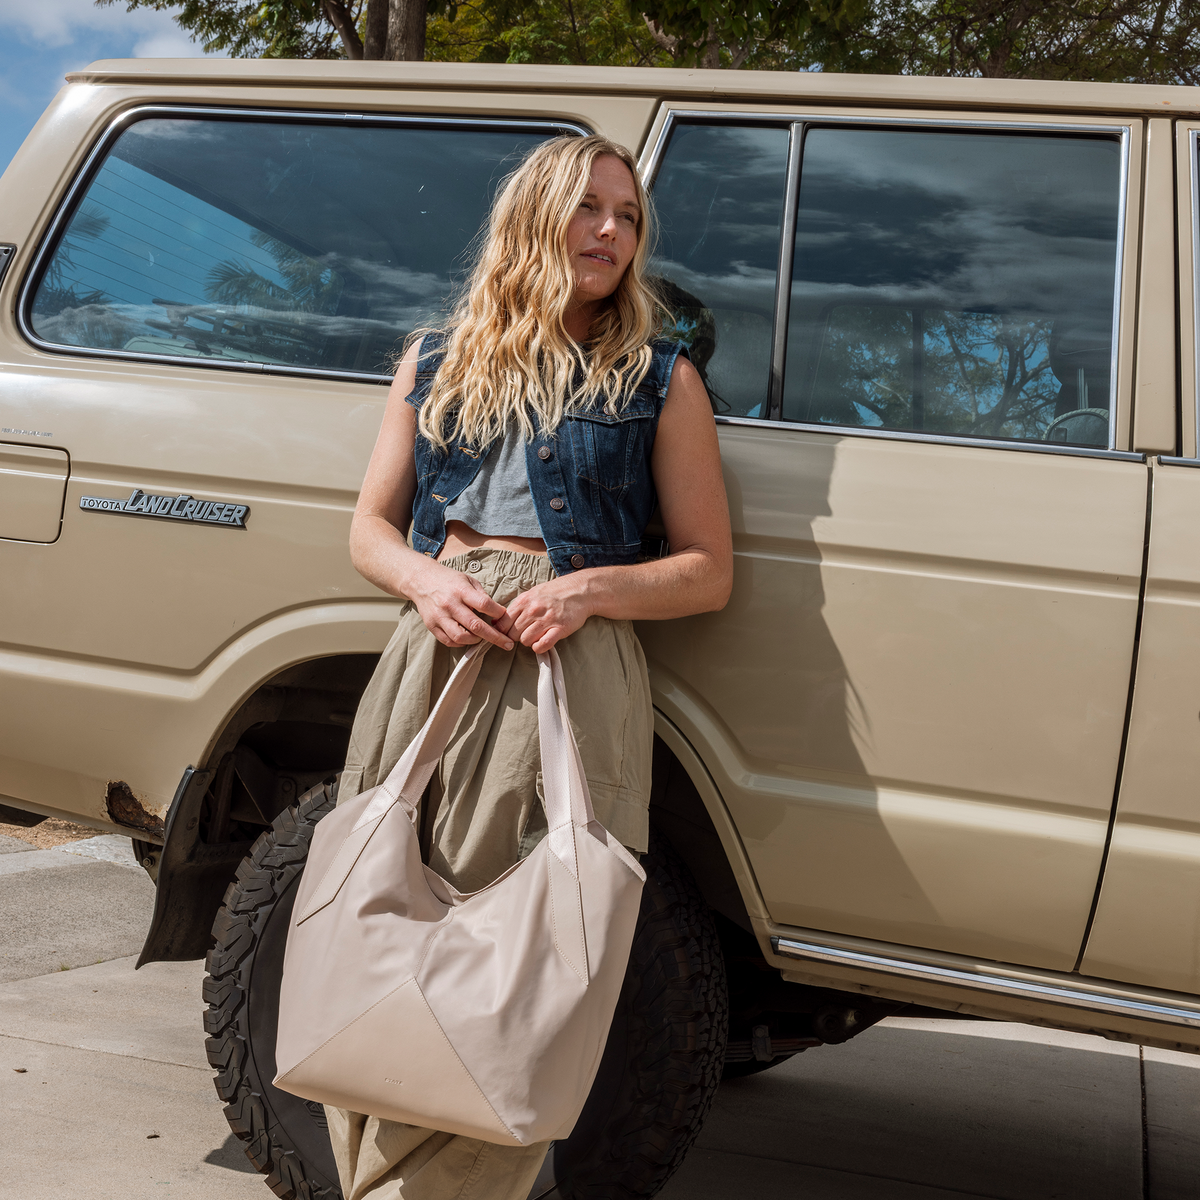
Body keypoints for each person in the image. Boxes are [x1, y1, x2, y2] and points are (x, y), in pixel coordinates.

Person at [330, 133, 733, 1200]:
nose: (611, 232)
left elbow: (706, 571)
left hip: (569, 671)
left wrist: (588, 587)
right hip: (435, 657)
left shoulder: (657, 377)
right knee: (378, 921)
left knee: (531, 968)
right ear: (534, 215)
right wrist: (424, 583)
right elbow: (369, 531)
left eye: (630, 217)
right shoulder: (435, 359)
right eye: (590, 207)